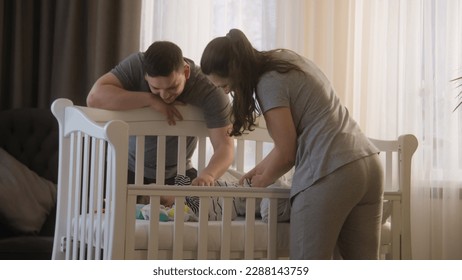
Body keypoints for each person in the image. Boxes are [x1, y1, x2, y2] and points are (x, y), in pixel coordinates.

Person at [200, 29, 384, 260]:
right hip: (367, 163)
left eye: (225, 86)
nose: (226, 92)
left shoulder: (268, 84)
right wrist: (258, 170)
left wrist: (261, 183)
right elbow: (289, 141)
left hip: (330, 170)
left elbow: (287, 152)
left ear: (236, 72)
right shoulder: (285, 60)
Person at [87, 41, 234, 197]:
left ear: (186, 72)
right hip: (128, 167)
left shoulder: (209, 89)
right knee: (109, 212)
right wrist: (150, 99)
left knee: (193, 212)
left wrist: (209, 174)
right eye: (156, 88)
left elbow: (225, 146)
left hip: (180, 172)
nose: (165, 95)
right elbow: (94, 98)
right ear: (145, 75)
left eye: (172, 87)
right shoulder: (137, 64)